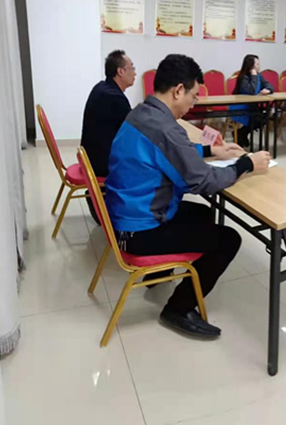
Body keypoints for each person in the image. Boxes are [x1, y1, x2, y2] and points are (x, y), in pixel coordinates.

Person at [105, 54, 271, 338]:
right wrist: (246, 164)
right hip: (138, 231)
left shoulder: (142, 113)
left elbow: (169, 152)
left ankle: (159, 272)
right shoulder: (165, 128)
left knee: (203, 213)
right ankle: (178, 308)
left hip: (124, 217)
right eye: (193, 96)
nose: (194, 104)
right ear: (178, 90)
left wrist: (210, 150)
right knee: (228, 239)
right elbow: (203, 182)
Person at [81, 50, 135, 224]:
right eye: (132, 68)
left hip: (91, 158)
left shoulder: (102, 88)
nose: (135, 72)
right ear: (120, 71)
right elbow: (135, 130)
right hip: (101, 164)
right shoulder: (114, 97)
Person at [231, 54, 273, 148]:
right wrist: (253, 75)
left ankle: (241, 133)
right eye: (257, 64)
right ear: (251, 66)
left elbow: (269, 85)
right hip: (240, 106)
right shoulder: (243, 77)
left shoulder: (259, 75)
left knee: (263, 119)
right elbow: (252, 91)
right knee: (256, 119)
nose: (259, 66)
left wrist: (268, 90)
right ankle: (241, 134)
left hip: (252, 106)